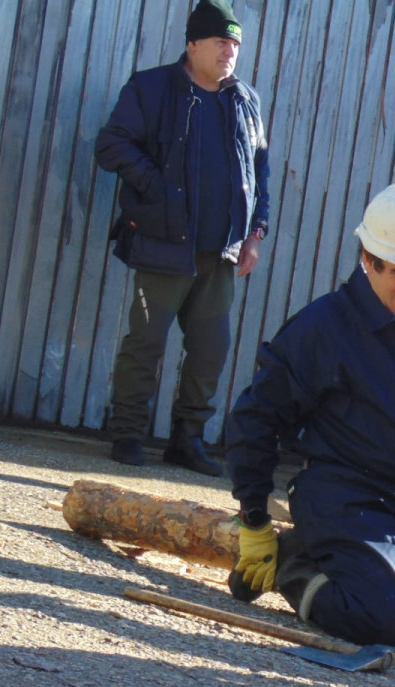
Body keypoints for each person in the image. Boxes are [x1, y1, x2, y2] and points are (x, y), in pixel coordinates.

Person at [224, 183, 395, 668]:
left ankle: (389, 594)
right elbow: (255, 418)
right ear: (368, 258)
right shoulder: (323, 328)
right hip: (350, 498)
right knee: (380, 626)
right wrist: (254, 519)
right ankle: (299, 564)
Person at [95, 0, 270, 476]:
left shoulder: (244, 100)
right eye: (220, 41)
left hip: (221, 253)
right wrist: (159, 187)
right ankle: (127, 433)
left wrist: (255, 232)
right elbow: (111, 145)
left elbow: (260, 171)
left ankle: (187, 439)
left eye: (234, 43)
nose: (229, 51)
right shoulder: (151, 88)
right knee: (146, 342)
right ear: (192, 43)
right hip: (164, 243)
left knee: (211, 349)